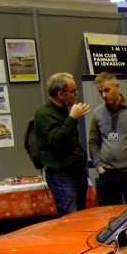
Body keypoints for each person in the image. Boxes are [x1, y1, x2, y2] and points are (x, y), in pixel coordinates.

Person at [88, 72, 127, 205]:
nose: (104, 95)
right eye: (100, 92)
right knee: (107, 213)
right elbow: (93, 142)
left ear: (117, 86)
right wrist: (99, 168)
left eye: (107, 90)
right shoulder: (97, 113)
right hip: (107, 173)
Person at [34, 72, 90, 216]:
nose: (76, 94)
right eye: (73, 91)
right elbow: (56, 142)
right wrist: (72, 118)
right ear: (60, 94)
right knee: (70, 216)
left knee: (81, 216)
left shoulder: (65, 110)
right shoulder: (44, 114)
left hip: (77, 170)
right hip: (61, 174)